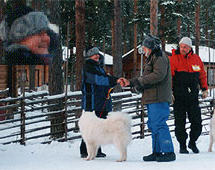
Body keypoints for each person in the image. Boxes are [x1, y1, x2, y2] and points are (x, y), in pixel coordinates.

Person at [119, 34, 175, 162]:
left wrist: (139, 81)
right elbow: (146, 78)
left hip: (159, 98)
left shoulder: (160, 57)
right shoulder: (153, 58)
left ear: (151, 47)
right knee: (154, 125)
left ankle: (169, 151)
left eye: (144, 48)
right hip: (152, 97)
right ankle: (157, 152)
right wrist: (131, 82)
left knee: (159, 124)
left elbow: (158, 75)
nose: (143, 51)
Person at [80, 46, 122, 158]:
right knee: (91, 127)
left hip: (100, 100)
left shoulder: (98, 67)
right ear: (89, 56)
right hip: (92, 101)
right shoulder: (89, 67)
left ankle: (96, 150)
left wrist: (113, 82)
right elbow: (99, 80)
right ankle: (85, 150)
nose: (97, 56)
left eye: (97, 54)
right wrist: (113, 80)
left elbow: (104, 80)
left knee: (99, 127)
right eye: (94, 54)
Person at [169, 37, 208, 154]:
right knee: (180, 123)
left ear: (190, 47)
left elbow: (202, 75)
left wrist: (204, 89)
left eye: (185, 47)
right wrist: (170, 92)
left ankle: (192, 142)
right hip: (179, 96)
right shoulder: (173, 59)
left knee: (197, 122)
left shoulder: (196, 59)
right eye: (181, 46)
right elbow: (169, 77)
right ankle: (182, 145)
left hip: (193, 97)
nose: (182, 49)